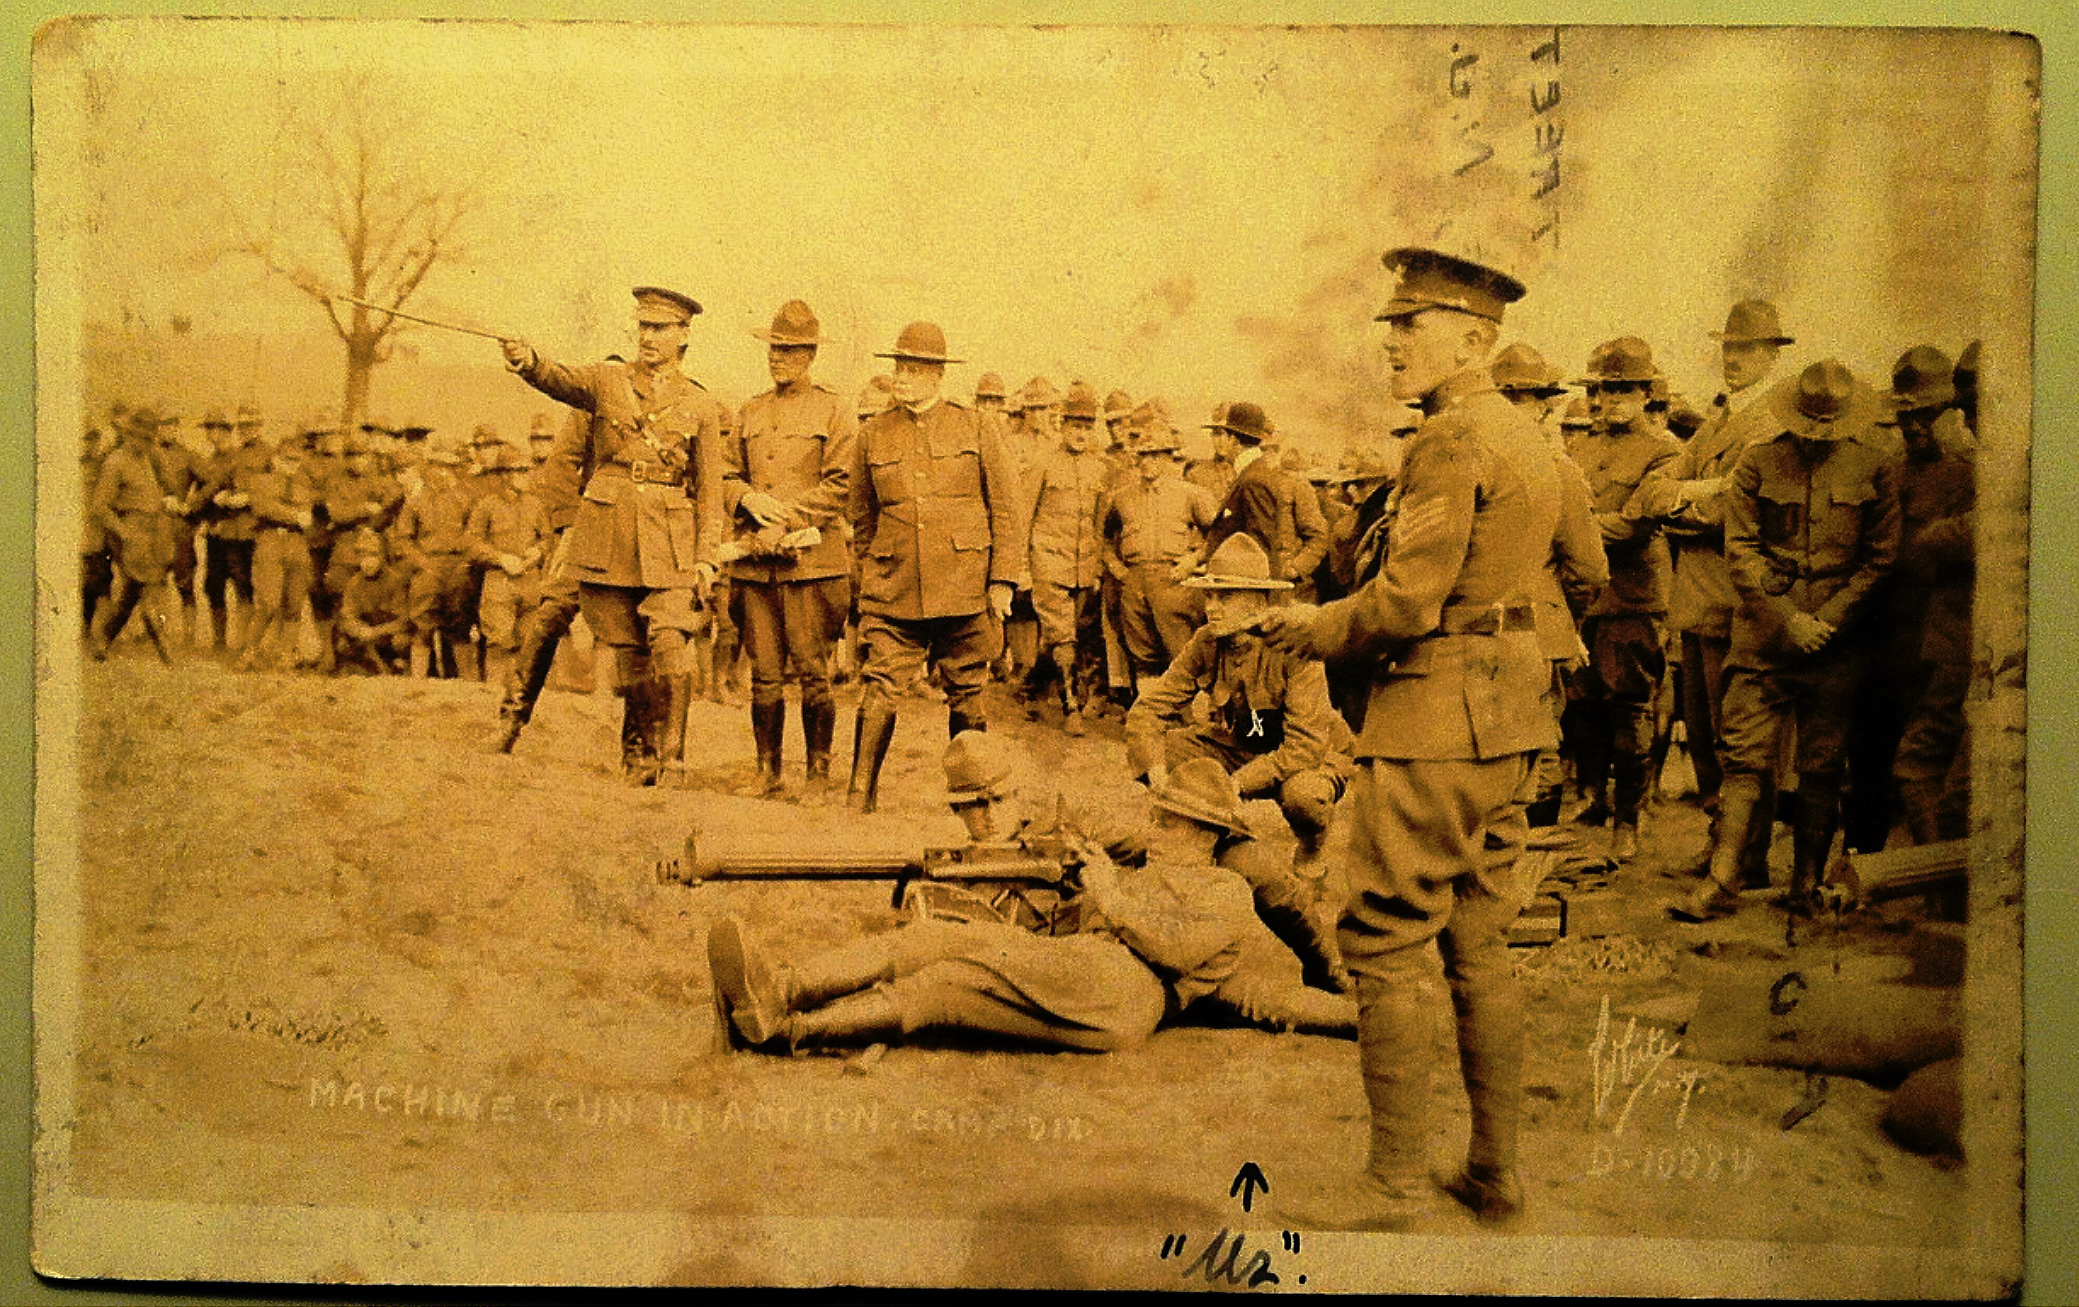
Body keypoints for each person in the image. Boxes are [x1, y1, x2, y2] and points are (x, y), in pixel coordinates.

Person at [1258, 245, 1558, 1230]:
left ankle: (1392, 1182)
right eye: (1391, 323)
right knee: (1480, 938)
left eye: (1411, 324)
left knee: (1383, 938)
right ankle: (1495, 1171)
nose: (1390, 340)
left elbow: (1406, 599)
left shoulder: (1448, 440)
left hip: (1436, 719)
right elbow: (1580, 569)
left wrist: (1312, 624)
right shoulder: (1529, 437)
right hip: (1514, 715)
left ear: (1475, 336)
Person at [708, 753, 1356, 1055]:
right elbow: (1267, 1004)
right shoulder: (1152, 870)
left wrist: (1110, 896)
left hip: (1125, 987)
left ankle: (785, 983)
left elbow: (1182, 953)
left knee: (942, 942)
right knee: (939, 984)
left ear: (1209, 834)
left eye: (1173, 822)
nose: (1156, 828)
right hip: (1095, 985)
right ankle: (780, 1025)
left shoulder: (1225, 891)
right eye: (1160, 816)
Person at [1675, 361, 1902, 921]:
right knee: (1743, 758)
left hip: (1837, 642)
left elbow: (1880, 559)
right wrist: (1786, 620)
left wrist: (1827, 618)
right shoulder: (1757, 460)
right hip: (1763, 639)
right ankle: (1723, 879)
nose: (1816, 440)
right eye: (1806, 428)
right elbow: (1741, 551)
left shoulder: (1876, 466)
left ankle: (1805, 883)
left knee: (1823, 765)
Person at [501, 285, 728, 783]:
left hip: (668, 539)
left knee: (671, 640)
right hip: (608, 531)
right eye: (643, 326)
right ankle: (637, 752)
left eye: (660, 328)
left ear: (684, 335)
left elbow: (711, 492)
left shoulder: (701, 405)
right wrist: (529, 360)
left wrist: (708, 556)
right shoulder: (607, 381)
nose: (648, 337)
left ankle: (674, 759)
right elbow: (561, 379)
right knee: (628, 649)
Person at [1637, 299, 1796, 864]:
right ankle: (1719, 842)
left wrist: (1689, 501)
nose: (1733, 357)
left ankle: (1746, 856)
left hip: (1739, 600)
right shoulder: (1718, 422)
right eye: (1728, 346)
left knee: (1742, 739)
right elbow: (1653, 491)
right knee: (1703, 737)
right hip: (1697, 602)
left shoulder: (1774, 423)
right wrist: (1698, 493)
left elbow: (1737, 505)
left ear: (1772, 356)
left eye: (1747, 348)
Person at [844, 321, 1020, 812]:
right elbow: (861, 515)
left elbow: (1006, 508)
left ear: (938, 374)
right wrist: (875, 568)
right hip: (894, 586)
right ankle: (860, 795)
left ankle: (973, 797)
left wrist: (1002, 580)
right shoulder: (872, 433)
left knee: (967, 691)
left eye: (914, 368)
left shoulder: (977, 426)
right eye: (898, 366)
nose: (902, 376)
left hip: (964, 587)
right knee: (879, 687)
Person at [720, 300, 858, 796]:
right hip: (757, 566)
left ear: (811, 353)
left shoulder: (836, 409)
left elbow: (842, 483)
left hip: (810, 566)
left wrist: (787, 519)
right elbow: (726, 474)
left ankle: (819, 774)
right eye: (774, 348)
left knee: (813, 672)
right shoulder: (750, 411)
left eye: (790, 350)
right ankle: (767, 773)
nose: (778, 357)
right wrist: (749, 501)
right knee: (764, 674)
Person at [1563, 336, 1680, 860]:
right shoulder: (1582, 447)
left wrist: (1572, 531)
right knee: (1582, 707)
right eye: (1602, 390)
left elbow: (1636, 526)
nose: (1609, 399)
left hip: (1632, 599)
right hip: (1585, 599)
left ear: (1644, 391)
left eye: (1621, 389)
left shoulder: (1665, 450)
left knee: (1630, 710)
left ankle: (1627, 823)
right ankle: (1594, 801)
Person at [1888, 351, 1976, 846]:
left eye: (1925, 414)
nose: (1913, 426)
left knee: (1922, 765)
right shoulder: (1893, 469)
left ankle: (1933, 886)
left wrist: (1929, 537)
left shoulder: (1972, 472)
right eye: (1906, 415)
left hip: (1949, 645)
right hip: (1904, 642)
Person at [1097, 419, 1219, 693]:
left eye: (1155, 455)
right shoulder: (1122, 498)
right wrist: (1119, 570)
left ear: (1167, 457)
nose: (1147, 461)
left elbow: (1219, 534)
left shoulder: (1190, 494)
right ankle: (1150, 716)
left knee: (1181, 653)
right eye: (1142, 455)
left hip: (1174, 584)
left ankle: (1187, 720)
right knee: (1142, 656)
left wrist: (1193, 562)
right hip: (1135, 584)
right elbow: (1104, 539)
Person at [1021, 381, 1112, 735]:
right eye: (1075, 426)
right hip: (1047, 562)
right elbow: (1024, 515)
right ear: (1062, 426)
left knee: (1059, 637)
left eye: (1087, 428)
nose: (1081, 434)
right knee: (1063, 637)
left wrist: (1097, 568)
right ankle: (1070, 706)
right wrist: (1022, 568)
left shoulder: (1099, 469)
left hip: (1082, 565)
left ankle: (1032, 688)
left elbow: (1099, 521)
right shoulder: (1043, 463)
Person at [85, 407, 181, 663]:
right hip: (131, 529)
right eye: (140, 437)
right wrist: (125, 533)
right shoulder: (115, 463)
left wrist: (168, 500)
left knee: (132, 593)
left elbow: (168, 486)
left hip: (155, 530)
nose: (145, 443)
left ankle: (103, 640)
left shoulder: (151, 457)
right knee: (149, 589)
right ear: (128, 435)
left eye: (149, 438)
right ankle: (165, 650)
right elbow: (99, 506)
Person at [1200, 400, 1329, 586]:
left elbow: (1262, 542)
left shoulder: (1253, 480)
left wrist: (1291, 570)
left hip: (1255, 585)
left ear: (1233, 439)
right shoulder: (1251, 474)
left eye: (1223, 435)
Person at [465, 442, 550, 688]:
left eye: (527, 471)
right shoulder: (487, 505)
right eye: (519, 471)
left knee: (529, 641)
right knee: (499, 641)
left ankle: (521, 698)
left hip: (530, 581)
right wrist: (500, 558)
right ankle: (493, 694)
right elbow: (471, 542)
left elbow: (547, 538)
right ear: (504, 475)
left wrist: (538, 551)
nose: (525, 476)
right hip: (499, 581)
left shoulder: (536, 504)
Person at [393, 443, 480, 679]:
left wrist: (464, 563)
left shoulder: (467, 499)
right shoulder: (416, 501)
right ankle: (418, 683)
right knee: (422, 626)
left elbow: (476, 535)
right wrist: (421, 562)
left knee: (460, 626)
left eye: (448, 467)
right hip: (428, 566)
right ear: (429, 468)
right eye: (438, 466)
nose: (442, 472)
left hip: (458, 567)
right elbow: (403, 539)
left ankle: (467, 684)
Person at [237, 435, 322, 672]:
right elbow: (263, 507)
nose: (291, 466)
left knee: (293, 603)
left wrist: (294, 514)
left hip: (296, 544)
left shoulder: (302, 486)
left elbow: (307, 515)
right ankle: (249, 652)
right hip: (270, 541)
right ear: (275, 460)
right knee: (268, 603)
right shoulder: (261, 481)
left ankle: (285, 656)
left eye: (295, 462)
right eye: (286, 460)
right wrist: (293, 515)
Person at [332, 529, 414, 675]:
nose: (368, 561)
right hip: (366, 634)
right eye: (362, 555)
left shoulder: (396, 580)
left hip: (388, 635)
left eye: (373, 555)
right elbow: (348, 615)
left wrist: (377, 632)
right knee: (342, 643)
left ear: (383, 556)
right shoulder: (354, 583)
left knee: (401, 642)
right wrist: (360, 630)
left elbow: (404, 620)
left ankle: (400, 668)